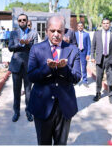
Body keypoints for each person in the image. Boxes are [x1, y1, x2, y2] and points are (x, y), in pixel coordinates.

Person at [27, 15, 81, 145]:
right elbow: (31, 76)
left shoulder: (73, 50)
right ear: (46, 31)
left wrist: (63, 68)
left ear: (64, 31)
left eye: (59, 31)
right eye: (52, 31)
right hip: (42, 105)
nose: (56, 34)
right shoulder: (36, 49)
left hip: (64, 107)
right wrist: (47, 68)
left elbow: (77, 77)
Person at [8, 13, 38, 122]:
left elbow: (36, 49)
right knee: (16, 90)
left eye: (24, 20)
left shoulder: (33, 33)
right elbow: (10, 48)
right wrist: (20, 44)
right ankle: (16, 112)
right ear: (17, 22)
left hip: (28, 66)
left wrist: (28, 44)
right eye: (20, 20)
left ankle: (29, 112)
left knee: (28, 91)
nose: (22, 22)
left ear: (27, 21)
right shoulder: (13, 33)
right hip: (16, 66)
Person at [91, 18, 112, 104]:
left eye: (107, 23)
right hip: (100, 58)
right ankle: (98, 93)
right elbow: (93, 46)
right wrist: (92, 56)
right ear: (102, 24)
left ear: (110, 24)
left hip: (110, 59)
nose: (106, 25)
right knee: (99, 77)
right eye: (104, 23)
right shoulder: (97, 33)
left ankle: (110, 95)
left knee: (110, 77)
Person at [75, 21, 91, 86]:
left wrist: (88, 54)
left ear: (83, 27)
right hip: (76, 52)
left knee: (84, 67)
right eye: (79, 26)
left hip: (84, 53)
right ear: (77, 27)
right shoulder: (74, 34)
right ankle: (76, 80)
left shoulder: (86, 34)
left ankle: (85, 81)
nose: (80, 27)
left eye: (81, 26)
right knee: (76, 67)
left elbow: (89, 45)